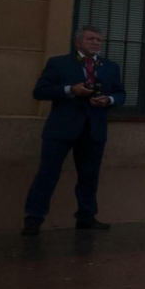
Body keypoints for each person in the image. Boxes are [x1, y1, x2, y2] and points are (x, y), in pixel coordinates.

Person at [23, 26, 126, 236]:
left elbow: (120, 94)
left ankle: (86, 217)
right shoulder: (58, 63)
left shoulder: (110, 67)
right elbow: (40, 92)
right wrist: (71, 90)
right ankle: (33, 220)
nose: (95, 43)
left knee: (89, 177)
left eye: (98, 40)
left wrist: (108, 100)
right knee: (47, 174)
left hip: (93, 129)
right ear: (77, 42)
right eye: (90, 39)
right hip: (61, 129)